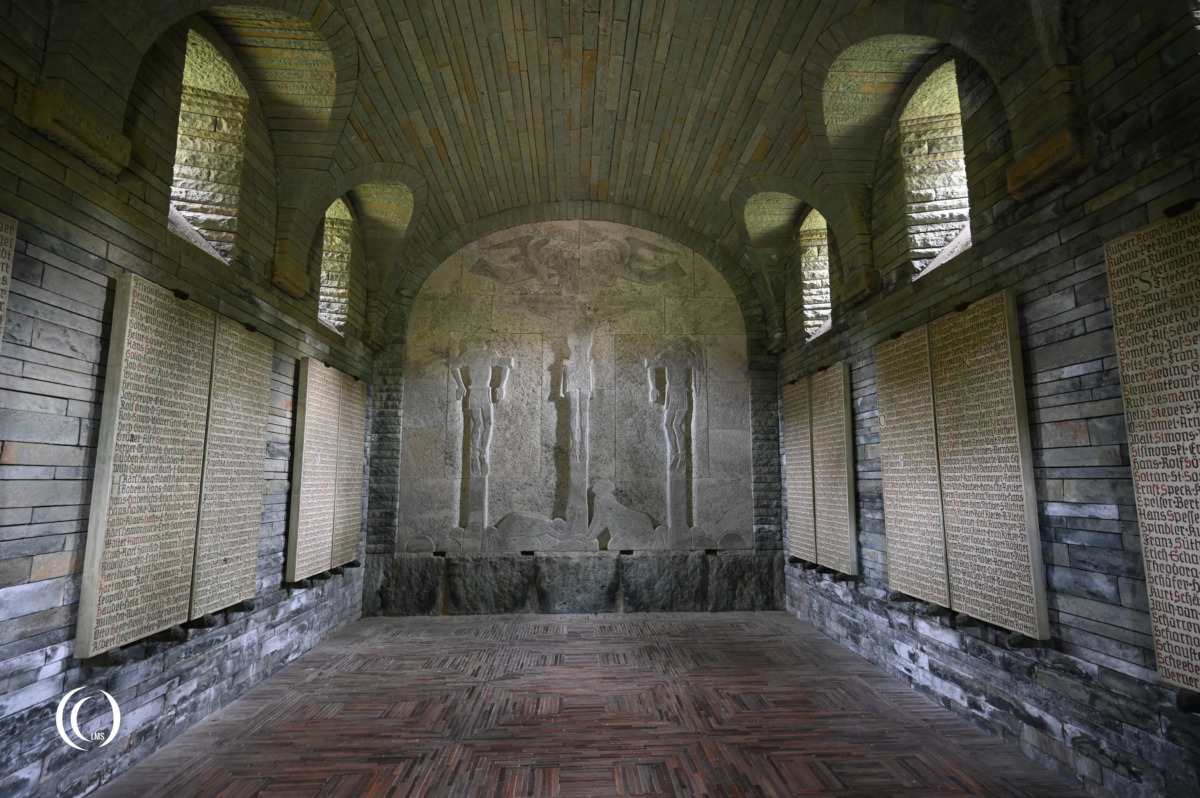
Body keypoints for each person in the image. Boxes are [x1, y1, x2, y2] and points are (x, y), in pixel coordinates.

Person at [450, 337, 513, 476]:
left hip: (480, 391)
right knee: (484, 423)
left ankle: (480, 454)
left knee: (480, 423)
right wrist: (501, 386)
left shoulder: (472, 354)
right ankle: (477, 455)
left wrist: (502, 386)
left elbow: (454, 367)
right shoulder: (485, 353)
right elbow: (506, 367)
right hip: (480, 391)